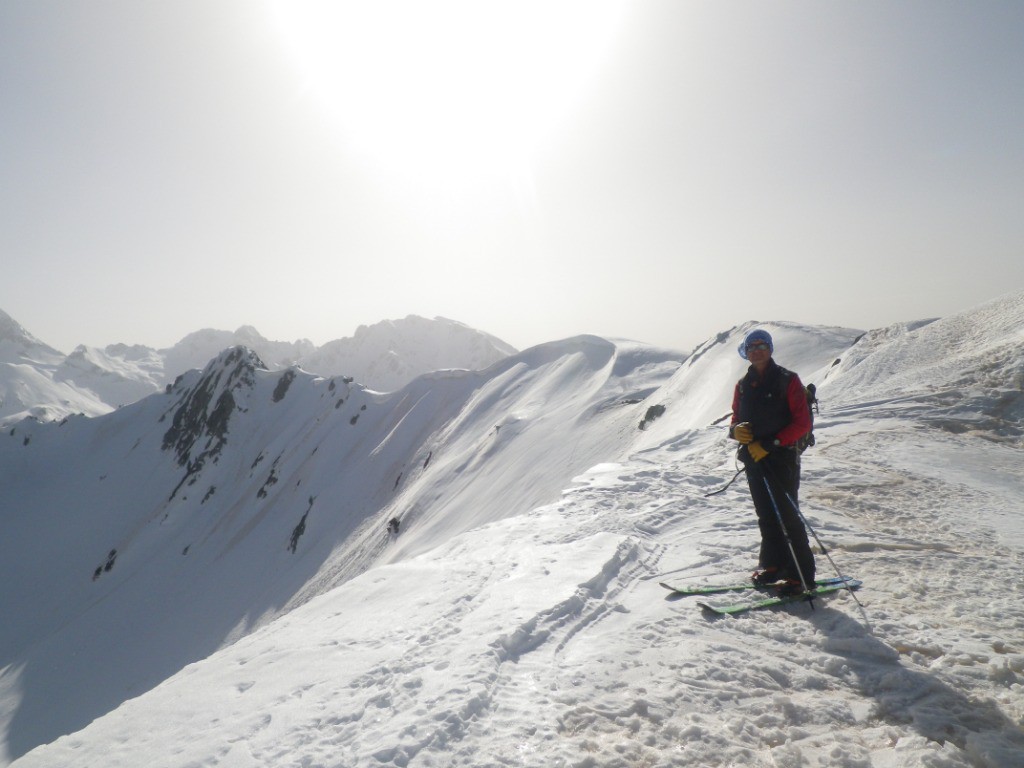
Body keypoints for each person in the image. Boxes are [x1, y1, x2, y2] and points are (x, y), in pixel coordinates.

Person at [729, 329, 815, 595]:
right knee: (766, 514)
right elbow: (735, 418)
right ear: (746, 352)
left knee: (788, 516)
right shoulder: (743, 385)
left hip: (781, 458)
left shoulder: (788, 380)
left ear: (770, 349)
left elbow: (802, 423)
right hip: (754, 458)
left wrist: (770, 444)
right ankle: (773, 566)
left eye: (762, 345)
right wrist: (735, 432)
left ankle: (801, 576)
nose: (757, 350)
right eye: (751, 347)